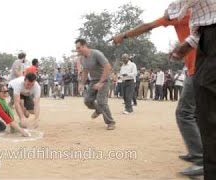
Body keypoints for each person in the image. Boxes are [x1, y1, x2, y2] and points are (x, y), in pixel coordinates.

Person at [112, 1, 203, 176]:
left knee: (184, 113)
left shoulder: (180, 14)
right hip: (197, 68)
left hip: (199, 69)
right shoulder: (197, 13)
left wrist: (123, 35)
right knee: (196, 112)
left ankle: (200, 158)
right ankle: (197, 151)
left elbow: (148, 26)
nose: (168, 9)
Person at [170, 0, 216, 178]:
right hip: (205, 38)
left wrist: (172, 10)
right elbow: (204, 21)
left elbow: (157, 21)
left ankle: (200, 158)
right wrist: (189, 43)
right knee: (205, 113)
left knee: (197, 113)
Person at [76, 39, 115, 130]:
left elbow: (108, 67)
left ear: (85, 46)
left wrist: (101, 82)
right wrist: (82, 83)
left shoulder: (96, 54)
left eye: (79, 48)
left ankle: (110, 122)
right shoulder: (82, 59)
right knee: (87, 100)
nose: (78, 50)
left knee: (101, 101)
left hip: (104, 80)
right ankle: (98, 110)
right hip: (93, 80)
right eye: (77, 48)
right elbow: (85, 71)